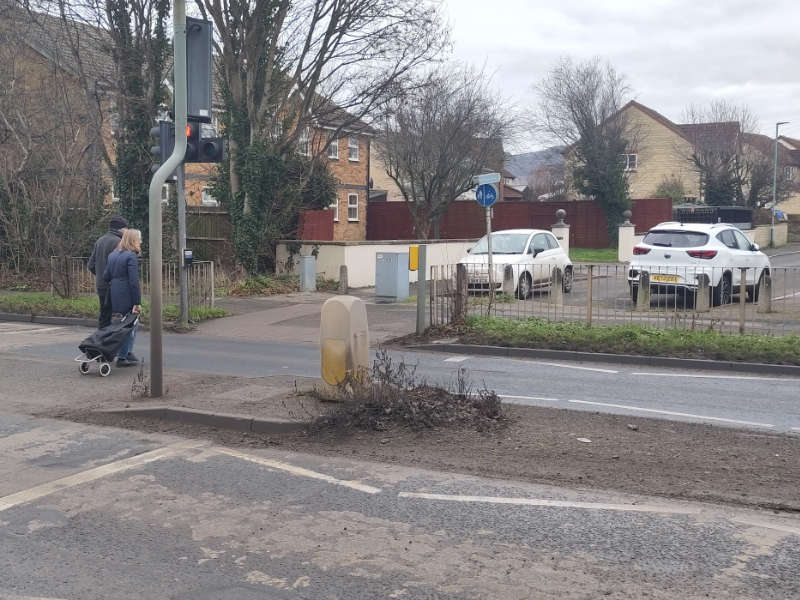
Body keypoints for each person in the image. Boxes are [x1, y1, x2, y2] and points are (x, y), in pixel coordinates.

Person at [103, 228, 142, 367]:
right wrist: (137, 302)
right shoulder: (131, 256)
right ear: (133, 240)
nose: (141, 242)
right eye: (139, 239)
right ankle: (123, 356)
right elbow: (133, 282)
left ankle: (125, 353)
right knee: (130, 324)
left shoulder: (113, 255)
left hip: (115, 292)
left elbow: (105, 276)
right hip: (126, 294)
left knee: (124, 324)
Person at [88, 215, 127, 328]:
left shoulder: (99, 240)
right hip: (116, 286)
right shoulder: (120, 242)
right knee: (122, 317)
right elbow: (122, 266)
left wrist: (101, 275)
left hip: (101, 285)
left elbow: (91, 265)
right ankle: (112, 342)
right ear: (120, 229)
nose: (127, 231)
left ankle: (101, 340)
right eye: (125, 228)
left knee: (104, 316)